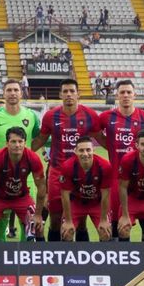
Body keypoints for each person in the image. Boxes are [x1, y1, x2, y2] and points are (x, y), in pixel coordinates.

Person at [31, 79, 102, 242]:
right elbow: (41, 139)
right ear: (60, 95)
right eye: (65, 91)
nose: (69, 94)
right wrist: (23, 154)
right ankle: (54, 258)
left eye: (72, 91)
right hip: (57, 172)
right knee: (55, 218)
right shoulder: (50, 116)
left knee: (81, 219)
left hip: (83, 173)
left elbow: (101, 138)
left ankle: (81, 260)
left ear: (78, 94)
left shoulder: (90, 115)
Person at [97, 79, 144, 239]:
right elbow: (95, 133)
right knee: (117, 222)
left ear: (135, 95)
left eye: (129, 92)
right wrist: (110, 146)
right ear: (117, 95)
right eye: (122, 92)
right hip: (116, 177)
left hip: (141, 178)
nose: (126, 95)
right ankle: (120, 259)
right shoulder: (107, 117)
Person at [0, 79, 41, 241]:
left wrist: (29, 153)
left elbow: (37, 137)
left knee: (27, 223)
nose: (12, 93)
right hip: (0, 174)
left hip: (26, 174)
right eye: (9, 90)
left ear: (21, 93)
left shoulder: (31, 116)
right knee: (0, 221)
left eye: (16, 90)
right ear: (4, 93)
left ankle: (24, 258)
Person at [0, 127, 46, 242]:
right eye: (13, 141)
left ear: (25, 143)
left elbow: (41, 187)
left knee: (37, 226)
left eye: (20, 141)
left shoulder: (33, 158)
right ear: (7, 143)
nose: (17, 145)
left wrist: (38, 214)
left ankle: (43, 258)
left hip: (21, 198)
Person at [60, 137, 112, 242]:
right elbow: (65, 195)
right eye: (81, 150)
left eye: (88, 150)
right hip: (76, 204)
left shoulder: (105, 166)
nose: (85, 154)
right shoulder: (67, 166)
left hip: (97, 204)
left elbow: (106, 195)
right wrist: (68, 221)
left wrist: (103, 220)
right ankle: (71, 257)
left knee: (105, 232)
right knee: (67, 233)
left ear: (94, 150)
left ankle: (102, 257)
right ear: (75, 151)